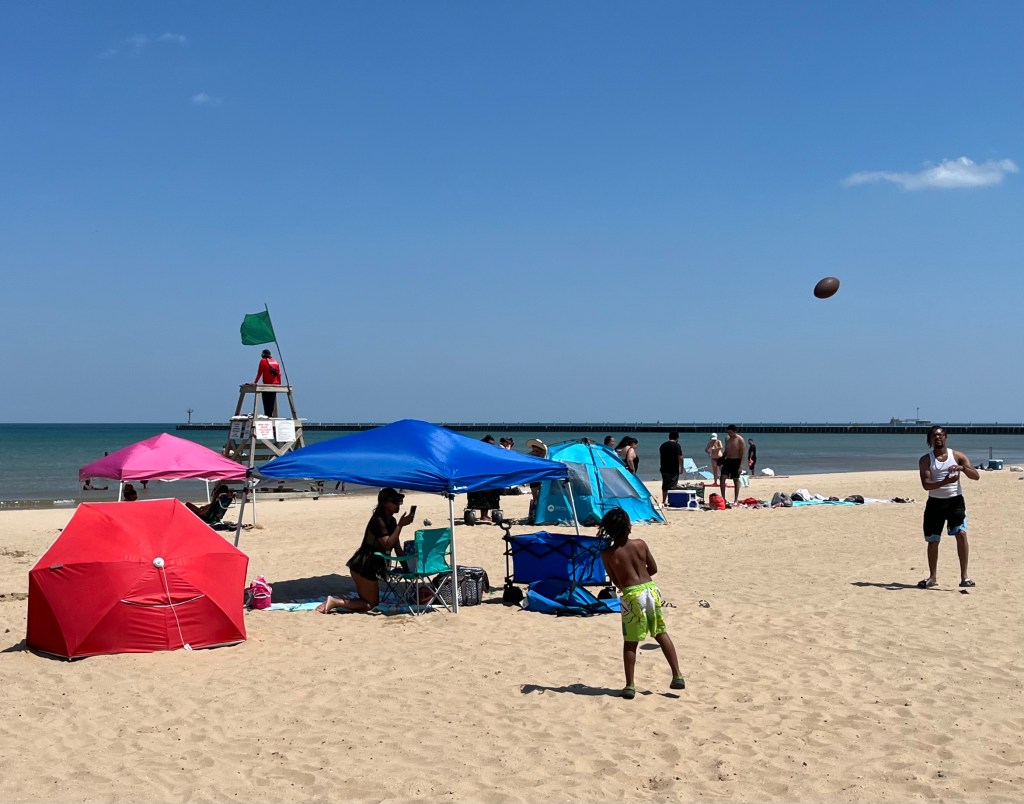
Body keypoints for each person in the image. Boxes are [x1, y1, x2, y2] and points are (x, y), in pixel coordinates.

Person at [599, 508, 685, 699]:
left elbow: (617, 582)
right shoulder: (640, 544)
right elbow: (653, 568)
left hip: (632, 594)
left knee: (631, 641)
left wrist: (628, 585)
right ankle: (677, 675)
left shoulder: (607, 554)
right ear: (629, 527)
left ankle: (630, 685)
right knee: (661, 633)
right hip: (651, 591)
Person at [318, 488, 414, 613]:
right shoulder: (378, 521)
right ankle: (334, 602)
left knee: (369, 601)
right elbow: (387, 544)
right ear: (385, 503)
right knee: (371, 604)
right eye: (395, 501)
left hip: (370, 565)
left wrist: (407, 570)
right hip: (363, 565)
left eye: (399, 501)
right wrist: (400, 526)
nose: (398, 505)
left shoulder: (392, 521)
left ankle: (336, 601)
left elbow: (397, 547)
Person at [917, 426, 979, 589]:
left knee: (961, 534)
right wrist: (946, 481)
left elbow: (976, 476)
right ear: (929, 440)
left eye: (940, 435)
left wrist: (962, 468)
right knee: (933, 540)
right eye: (934, 436)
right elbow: (926, 484)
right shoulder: (926, 460)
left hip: (955, 502)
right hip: (935, 504)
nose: (938, 438)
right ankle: (933, 577)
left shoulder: (957, 456)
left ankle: (964, 577)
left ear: (946, 438)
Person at [467, 436, 501, 523]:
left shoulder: (488, 453)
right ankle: (483, 515)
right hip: (482, 477)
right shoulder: (480, 453)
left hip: (488, 477)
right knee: (482, 496)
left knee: (489, 496)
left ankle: (485, 515)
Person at [719, 425, 746, 505]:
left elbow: (742, 454)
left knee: (736, 480)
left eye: (730, 432)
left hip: (736, 461)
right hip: (728, 460)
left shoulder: (740, 440)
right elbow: (726, 450)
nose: (729, 434)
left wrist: (741, 466)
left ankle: (736, 500)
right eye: (728, 432)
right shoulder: (727, 438)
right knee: (722, 478)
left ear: (735, 431)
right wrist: (721, 459)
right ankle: (723, 498)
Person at [658, 431, 684, 506]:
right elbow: (680, 457)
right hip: (674, 468)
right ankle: (671, 501)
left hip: (664, 467)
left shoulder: (663, 445)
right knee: (673, 485)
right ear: (677, 438)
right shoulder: (677, 445)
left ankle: (664, 501)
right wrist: (681, 468)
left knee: (665, 485)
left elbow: (661, 457)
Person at [253, 348, 282, 416]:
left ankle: (267, 415)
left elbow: (259, 373)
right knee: (272, 400)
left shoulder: (263, 361)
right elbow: (279, 374)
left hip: (267, 384)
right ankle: (270, 415)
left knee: (266, 400)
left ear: (263, 354)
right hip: (275, 384)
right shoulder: (275, 361)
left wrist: (255, 382)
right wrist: (279, 384)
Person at [526, 438, 548, 523]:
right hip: (535, 479)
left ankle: (539, 513)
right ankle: (535, 514)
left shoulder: (545, 455)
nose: (534, 451)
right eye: (534, 450)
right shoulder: (531, 455)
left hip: (542, 478)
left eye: (536, 450)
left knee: (542, 496)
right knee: (535, 497)